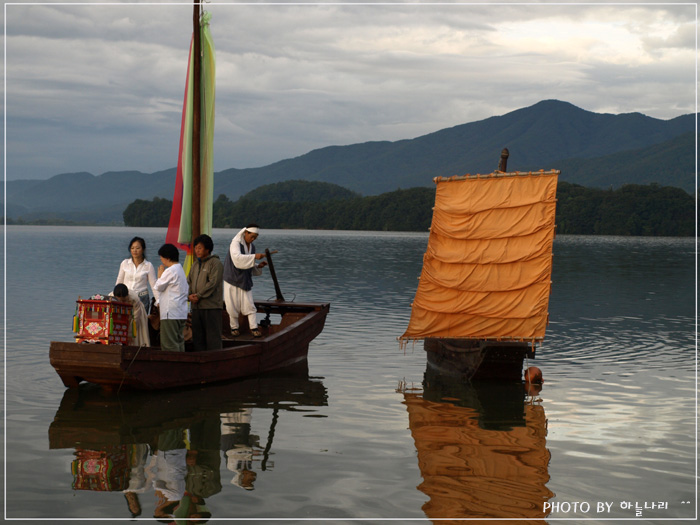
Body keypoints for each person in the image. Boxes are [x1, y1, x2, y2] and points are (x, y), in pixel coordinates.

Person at [223, 224, 267, 337]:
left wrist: (258, 266)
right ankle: (234, 328)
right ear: (246, 233)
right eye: (252, 236)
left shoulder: (252, 247)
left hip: (244, 279)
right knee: (231, 304)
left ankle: (254, 327)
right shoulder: (235, 244)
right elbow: (237, 260)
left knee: (250, 305)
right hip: (232, 278)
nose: (253, 239)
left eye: (255, 238)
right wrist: (254, 257)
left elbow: (248, 263)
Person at [187, 234, 224, 351]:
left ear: (208, 249)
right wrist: (189, 296)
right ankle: (200, 361)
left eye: (200, 248)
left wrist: (198, 295)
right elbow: (188, 282)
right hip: (197, 307)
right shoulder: (195, 264)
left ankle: (215, 362)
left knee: (213, 337)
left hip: (211, 307)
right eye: (196, 248)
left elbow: (212, 283)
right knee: (198, 337)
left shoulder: (215, 263)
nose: (197, 251)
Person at [153, 243, 188, 352]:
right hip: (180, 312)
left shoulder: (170, 270)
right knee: (179, 341)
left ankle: (173, 367)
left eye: (161, 258)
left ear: (167, 258)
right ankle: (181, 365)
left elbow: (158, 286)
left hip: (170, 313)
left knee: (169, 344)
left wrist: (160, 275)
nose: (161, 260)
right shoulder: (180, 270)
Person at [116, 237, 159, 312]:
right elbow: (119, 282)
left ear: (143, 249)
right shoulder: (125, 263)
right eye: (132, 248)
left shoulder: (148, 265)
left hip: (142, 298)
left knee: (140, 322)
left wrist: (158, 300)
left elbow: (154, 285)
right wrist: (116, 296)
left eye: (137, 248)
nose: (134, 250)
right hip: (126, 297)